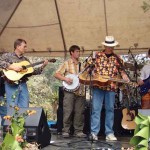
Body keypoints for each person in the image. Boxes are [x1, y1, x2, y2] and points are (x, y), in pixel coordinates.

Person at [89, 36, 129, 141]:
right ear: (105, 45)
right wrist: (92, 74)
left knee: (110, 110)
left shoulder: (117, 58)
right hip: (98, 86)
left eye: (112, 46)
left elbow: (122, 70)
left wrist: (124, 75)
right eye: (109, 46)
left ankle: (109, 133)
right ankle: (94, 133)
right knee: (96, 110)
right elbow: (88, 67)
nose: (111, 48)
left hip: (111, 87)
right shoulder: (97, 55)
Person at [0, 39, 48, 108]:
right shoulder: (7, 56)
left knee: (24, 107)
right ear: (18, 46)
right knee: (12, 107)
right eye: (24, 46)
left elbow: (32, 72)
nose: (26, 48)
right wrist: (12, 67)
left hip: (23, 84)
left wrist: (43, 66)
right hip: (11, 84)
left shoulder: (25, 60)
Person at [54, 45, 86, 138]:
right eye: (76, 51)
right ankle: (66, 131)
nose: (78, 53)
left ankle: (78, 131)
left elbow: (85, 76)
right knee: (68, 111)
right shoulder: (67, 63)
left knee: (79, 112)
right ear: (71, 52)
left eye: (79, 51)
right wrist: (66, 79)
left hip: (80, 91)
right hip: (69, 91)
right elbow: (56, 74)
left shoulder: (82, 64)